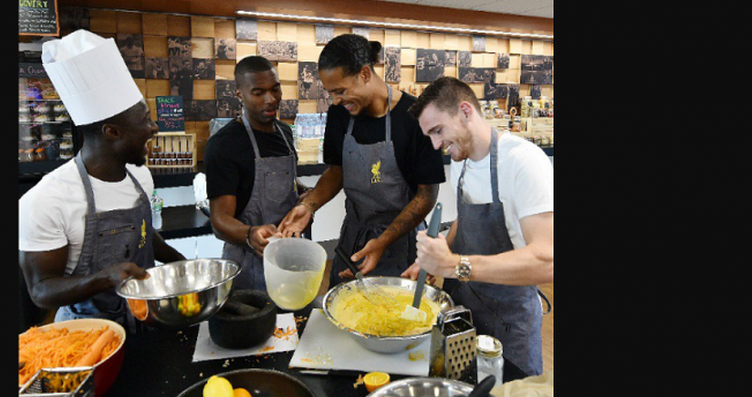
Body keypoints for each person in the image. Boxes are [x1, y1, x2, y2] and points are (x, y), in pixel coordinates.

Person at [19, 29, 185, 327]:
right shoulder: (45, 200)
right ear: (112, 132)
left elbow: (144, 235)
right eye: (145, 119)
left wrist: (184, 266)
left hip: (148, 321)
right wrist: (104, 278)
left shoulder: (140, 177)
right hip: (87, 334)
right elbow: (41, 290)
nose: (154, 127)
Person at [402, 76, 553, 376]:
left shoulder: (523, 163)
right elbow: (466, 218)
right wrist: (439, 255)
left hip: (509, 323)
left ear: (466, 112)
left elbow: (546, 259)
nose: (435, 145)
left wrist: (456, 265)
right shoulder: (464, 159)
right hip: (465, 311)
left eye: (437, 131)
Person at [279, 34, 445, 287]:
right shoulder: (340, 115)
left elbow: (426, 195)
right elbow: (337, 171)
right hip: (354, 236)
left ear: (365, 74)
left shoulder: (416, 118)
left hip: (403, 241)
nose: (335, 100)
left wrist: (382, 241)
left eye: (341, 91)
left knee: (394, 315)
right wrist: (309, 205)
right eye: (331, 93)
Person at [204, 55, 310, 290]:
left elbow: (286, 182)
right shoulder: (224, 144)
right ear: (240, 94)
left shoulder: (285, 132)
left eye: (275, 90)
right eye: (258, 93)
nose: (271, 100)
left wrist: (305, 194)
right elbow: (219, 220)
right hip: (249, 262)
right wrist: (250, 234)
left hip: (289, 256)